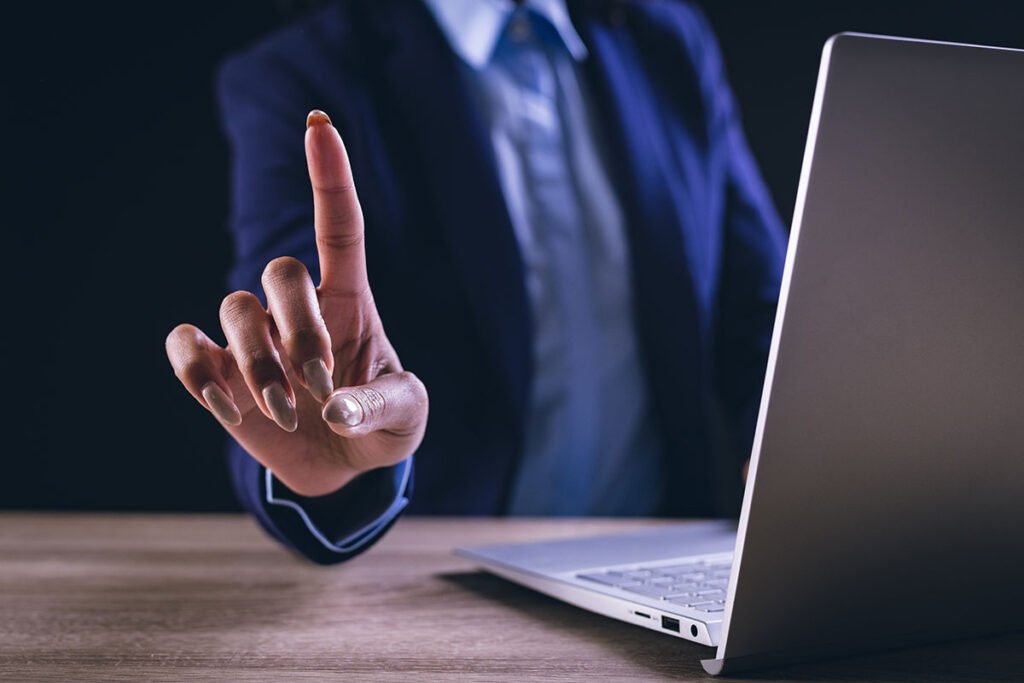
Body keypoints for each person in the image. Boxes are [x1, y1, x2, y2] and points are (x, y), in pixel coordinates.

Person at [165, 0, 786, 564]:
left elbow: (764, 315)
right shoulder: (299, 74)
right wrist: (338, 451)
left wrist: (797, 451)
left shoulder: (668, 39)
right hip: (437, 580)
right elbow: (287, 339)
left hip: (661, 565)